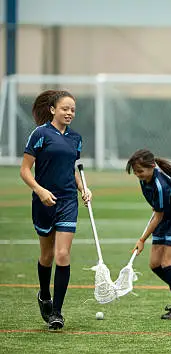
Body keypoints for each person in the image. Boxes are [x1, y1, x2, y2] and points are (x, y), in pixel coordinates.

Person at [19, 90, 92, 330]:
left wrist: (84, 188)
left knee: (62, 255)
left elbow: (73, 168)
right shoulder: (39, 134)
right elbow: (25, 170)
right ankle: (44, 295)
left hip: (68, 202)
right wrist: (40, 191)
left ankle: (57, 313)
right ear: (53, 110)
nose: (70, 113)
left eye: (72, 109)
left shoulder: (76, 138)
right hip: (43, 201)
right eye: (65, 108)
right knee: (47, 256)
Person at [126, 149, 171, 319]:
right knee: (155, 264)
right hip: (165, 219)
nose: (138, 175)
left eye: (140, 171)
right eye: (135, 172)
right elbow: (157, 209)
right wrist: (158, 205)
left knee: (167, 264)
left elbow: (158, 215)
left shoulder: (160, 184)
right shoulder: (145, 180)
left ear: (152, 167)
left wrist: (142, 239)